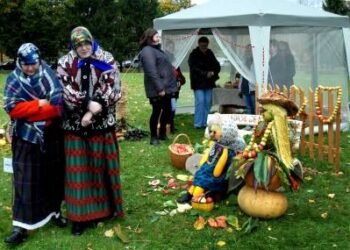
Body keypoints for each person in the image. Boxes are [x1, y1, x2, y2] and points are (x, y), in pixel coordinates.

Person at [57, 26, 123, 235]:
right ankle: (79, 217)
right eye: (79, 45)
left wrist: (94, 112)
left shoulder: (106, 58)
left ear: (91, 41)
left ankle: (102, 211)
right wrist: (86, 104)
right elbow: (65, 90)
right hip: (75, 126)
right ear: (73, 46)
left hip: (101, 124)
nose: (84, 48)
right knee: (79, 173)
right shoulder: (65, 63)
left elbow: (114, 89)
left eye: (86, 43)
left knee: (99, 168)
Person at [3, 43, 66, 245]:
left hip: (51, 134)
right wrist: (39, 104)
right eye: (25, 64)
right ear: (19, 62)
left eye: (33, 64)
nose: (30, 68)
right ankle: (21, 227)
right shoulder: (13, 79)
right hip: (25, 136)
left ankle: (54, 213)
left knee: (52, 175)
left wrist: (28, 111)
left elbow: (57, 107)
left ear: (39, 61)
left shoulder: (49, 75)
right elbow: (12, 109)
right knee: (24, 179)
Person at [139, 28, 178, 145]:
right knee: (156, 112)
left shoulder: (157, 50)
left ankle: (162, 134)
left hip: (167, 87)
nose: (158, 38)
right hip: (157, 89)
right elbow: (151, 71)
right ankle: (153, 137)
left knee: (167, 110)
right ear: (150, 37)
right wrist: (160, 88)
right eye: (156, 36)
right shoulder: (147, 51)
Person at [188, 36, 220, 129]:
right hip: (198, 83)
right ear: (198, 44)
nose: (204, 48)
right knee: (200, 102)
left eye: (205, 46)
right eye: (202, 46)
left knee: (207, 103)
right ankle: (197, 123)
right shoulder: (193, 54)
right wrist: (205, 73)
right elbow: (193, 68)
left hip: (209, 83)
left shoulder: (210, 53)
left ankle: (205, 123)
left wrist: (213, 72)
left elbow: (217, 65)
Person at [164, 40, 186, 133]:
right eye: (169, 47)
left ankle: (170, 125)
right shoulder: (165, 57)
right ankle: (169, 126)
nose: (171, 48)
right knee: (171, 107)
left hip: (175, 87)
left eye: (172, 47)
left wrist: (181, 79)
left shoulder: (174, 58)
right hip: (169, 87)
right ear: (166, 47)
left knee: (172, 107)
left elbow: (178, 71)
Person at [239, 45, 256, 116]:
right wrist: (240, 87)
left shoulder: (256, 61)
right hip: (245, 86)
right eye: (247, 50)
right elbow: (241, 75)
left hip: (253, 88)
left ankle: (256, 125)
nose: (248, 51)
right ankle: (249, 125)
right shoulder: (244, 60)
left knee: (255, 107)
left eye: (250, 50)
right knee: (248, 107)